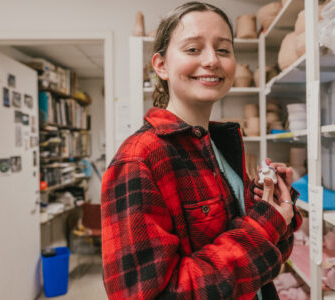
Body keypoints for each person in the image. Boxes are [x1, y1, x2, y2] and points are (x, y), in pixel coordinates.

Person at [101, 2, 302, 299]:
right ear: (161, 65)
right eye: (193, 49)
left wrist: (272, 206)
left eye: (223, 49)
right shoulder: (139, 159)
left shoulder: (219, 142)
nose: (212, 60)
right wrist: (264, 225)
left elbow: (261, 257)